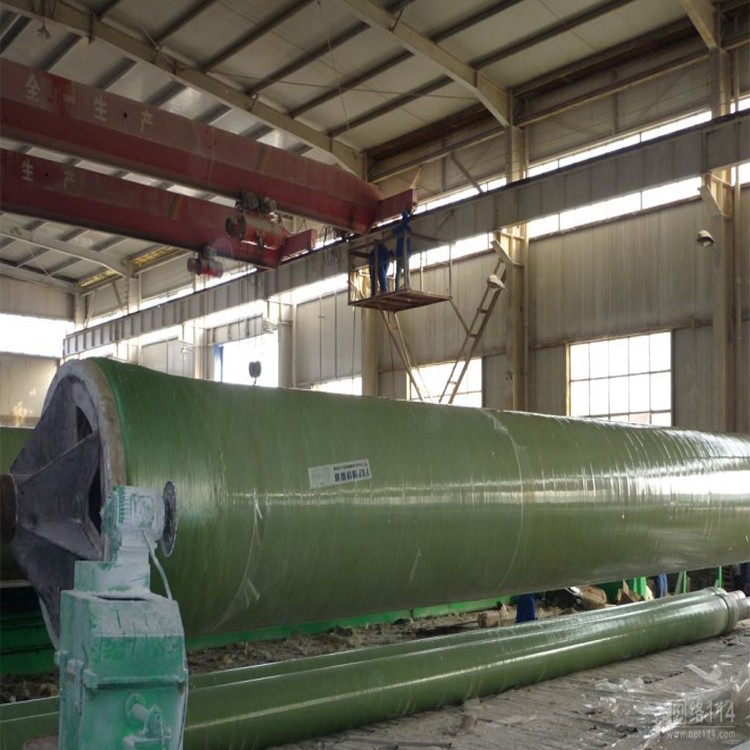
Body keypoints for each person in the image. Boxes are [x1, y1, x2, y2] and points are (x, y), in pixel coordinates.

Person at [394, 210, 412, 291]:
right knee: (406, 271)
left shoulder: (399, 228)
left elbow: (394, 233)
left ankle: (397, 288)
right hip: (405, 253)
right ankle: (408, 286)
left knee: (398, 272)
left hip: (399, 253)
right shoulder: (408, 228)